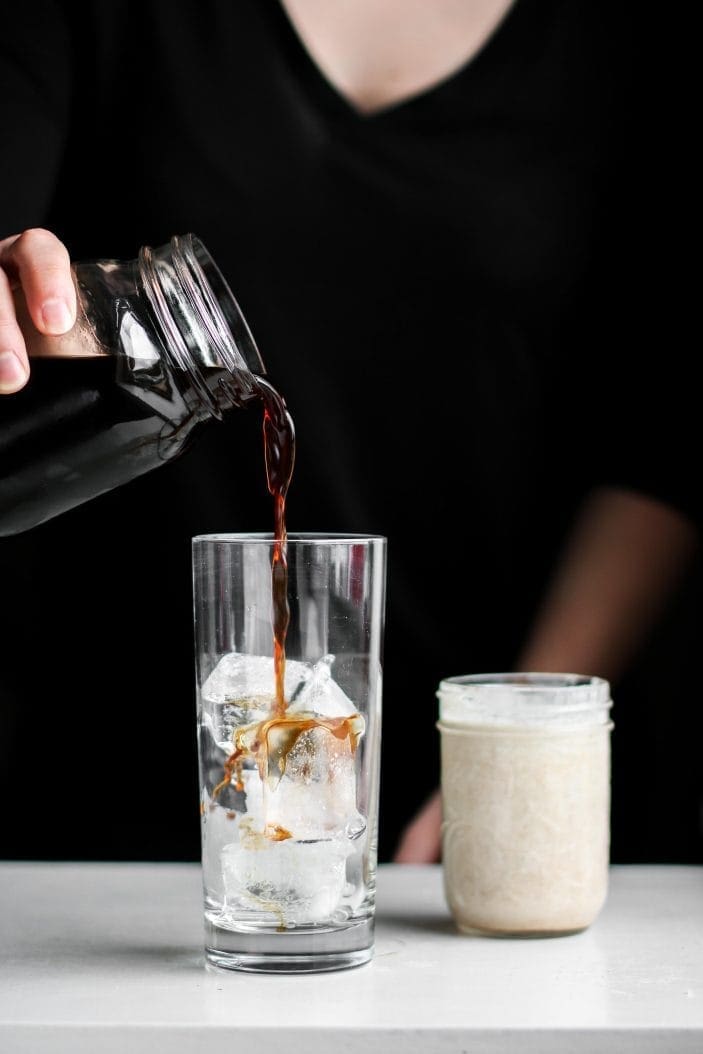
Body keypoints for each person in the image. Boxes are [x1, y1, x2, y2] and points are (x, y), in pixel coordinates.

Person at [1, 0, 700, 865]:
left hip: (487, 741)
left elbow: (663, 430)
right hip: (106, 764)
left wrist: (516, 739)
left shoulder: (636, 43)